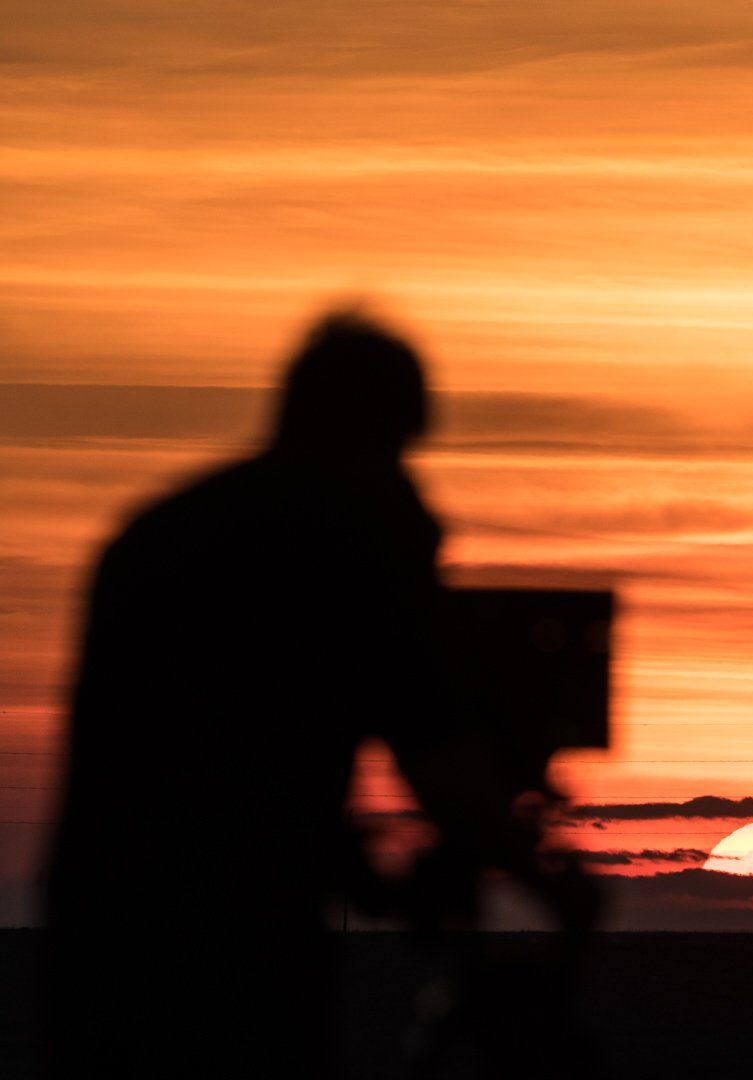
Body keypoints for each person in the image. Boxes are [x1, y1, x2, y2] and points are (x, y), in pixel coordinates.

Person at [42, 311, 591, 1078]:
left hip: (103, 931)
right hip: (242, 944)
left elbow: (206, 751)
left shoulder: (158, 533)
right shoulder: (349, 529)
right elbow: (429, 743)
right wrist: (541, 883)